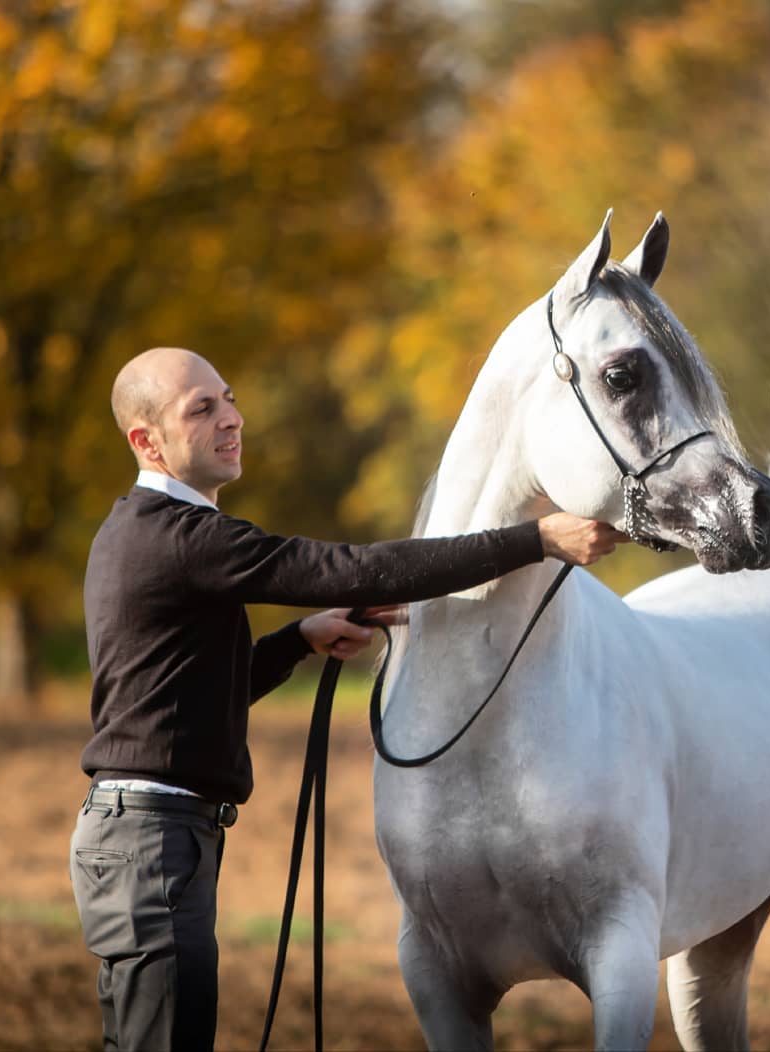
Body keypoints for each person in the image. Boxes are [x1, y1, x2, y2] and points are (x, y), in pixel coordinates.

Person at [70, 346, 625, 1052]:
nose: (231, 419)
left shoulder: (137, 530)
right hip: (152, 844)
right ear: (146, 441)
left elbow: (183, 696)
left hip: (144, 839)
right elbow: (353, 570)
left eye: (228, 398)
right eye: (201, 409)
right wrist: (535, 540)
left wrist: (299, 639)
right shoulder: (181, 536)